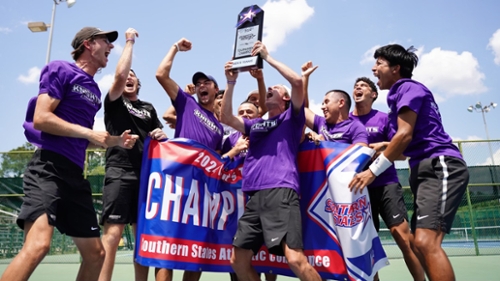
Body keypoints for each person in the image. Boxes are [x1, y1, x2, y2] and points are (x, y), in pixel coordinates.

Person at [1, 27, 139, 281]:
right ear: (88, 44)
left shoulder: (95, 92)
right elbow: (41, 118)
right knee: (39, 245)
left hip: (75, 177)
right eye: (106, 41)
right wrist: (89, 134)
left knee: (96, 255)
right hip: (48, 169)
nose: (111, 46)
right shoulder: (61, 69)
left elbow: (80, 138)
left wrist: (116, 141)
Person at [349, 44, 469, 281]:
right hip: (422, 168)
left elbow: (404, 136)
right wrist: (383, 146)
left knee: (425, 242)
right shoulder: (396, 102)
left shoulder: (406, 87)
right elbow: (402, 150)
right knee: (420, 244)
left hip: (440, 164)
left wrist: (372, 171)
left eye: (379, 63)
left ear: (396, 68)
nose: (374, 69)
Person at [221, 40, 322, 281]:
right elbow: (225, 116)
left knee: (295, 259)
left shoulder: (292, 118)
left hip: (281, 190)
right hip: (254, 196)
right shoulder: (255, 124)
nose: (270, 89)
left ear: (286, 99)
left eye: (276, 88)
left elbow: (297, 82)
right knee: (238, 260)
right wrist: (230, 81)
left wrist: (267, 57)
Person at [97, 28, 168, 281]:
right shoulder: (115, 101)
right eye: (127, 75)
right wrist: (129, 41)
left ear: (138, 83)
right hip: (120, 173)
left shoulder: (148, 108)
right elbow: (118, 76)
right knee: (113, 234)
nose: (129, 78)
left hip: (147, 177)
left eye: (133, 76)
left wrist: (159, 133)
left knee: (143, 237)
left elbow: (159, 131)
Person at [156, 37, 224, 281]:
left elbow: (222, 160)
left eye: (207, 82)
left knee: (195, 252)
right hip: (176, 184)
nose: (201, 85)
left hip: (201, 193)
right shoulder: (186, 104)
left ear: (216, 90)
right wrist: (174, 47)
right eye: (198, 83)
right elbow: (161, 74)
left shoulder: (220, 128)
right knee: (167, 246)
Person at [349, 77, 425, 281]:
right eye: (355, 86)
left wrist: (380, 147)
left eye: (363, 86)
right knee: (365, 245)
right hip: (358, 189)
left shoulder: (384, 118)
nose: (358, 87)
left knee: (401, 235)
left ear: (374, 94)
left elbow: (402, 153)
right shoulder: (346, 122)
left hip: (386, 184)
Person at [300, 62, 367, 146]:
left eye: (326, 102)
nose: (322, 107)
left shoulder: (356, 127)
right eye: (322, 103)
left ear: (341, 103)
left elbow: (360, 155)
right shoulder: (320, 123)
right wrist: (305, 77)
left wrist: (325, 145)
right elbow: (301, 110)